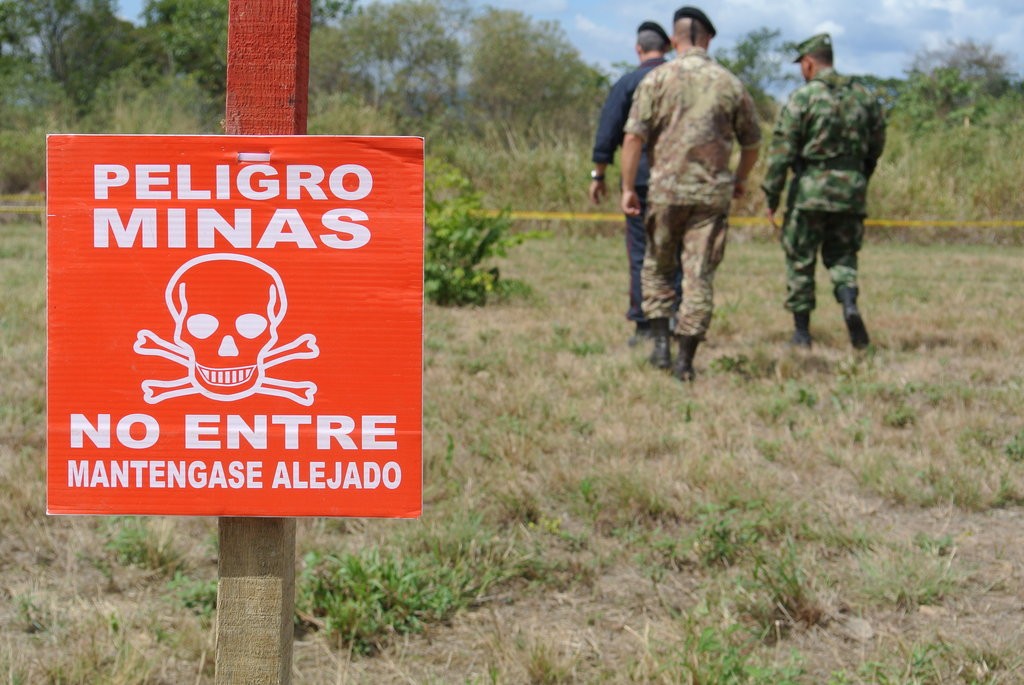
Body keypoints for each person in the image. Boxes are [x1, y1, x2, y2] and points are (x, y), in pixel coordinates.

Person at [619, 6, 761, 381]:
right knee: (698, 276)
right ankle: (685, 361)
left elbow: (633, 138)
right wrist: (739, 179)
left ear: (673, 39)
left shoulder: (657, 79)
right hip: (711, 197)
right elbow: (752, 144)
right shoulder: (730, 84)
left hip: (665, 192)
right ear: (708, 39)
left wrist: (628, 187)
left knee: (657, 267)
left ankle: (660, 349)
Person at [761, 33, 886, 349]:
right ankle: (849, 304)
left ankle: (802, 334)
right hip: (850, 191)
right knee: (843, 256)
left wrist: (772, 195)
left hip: (810, 192)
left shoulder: (803, 98)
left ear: (808, 63)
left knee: (801, 260)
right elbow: (876, 145)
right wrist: (857, 177)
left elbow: (782, 151)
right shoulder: (864, 96)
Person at [589, 21, 680, 347]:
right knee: (677, 251)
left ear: (638, 49)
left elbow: (609, 132)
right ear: (667, 48)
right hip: (679, 180)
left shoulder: (628, 83)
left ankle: (644, 324)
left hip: (640, 181)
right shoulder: (678, 79)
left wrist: (599, 175)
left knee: (642, 253)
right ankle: (676, 318)